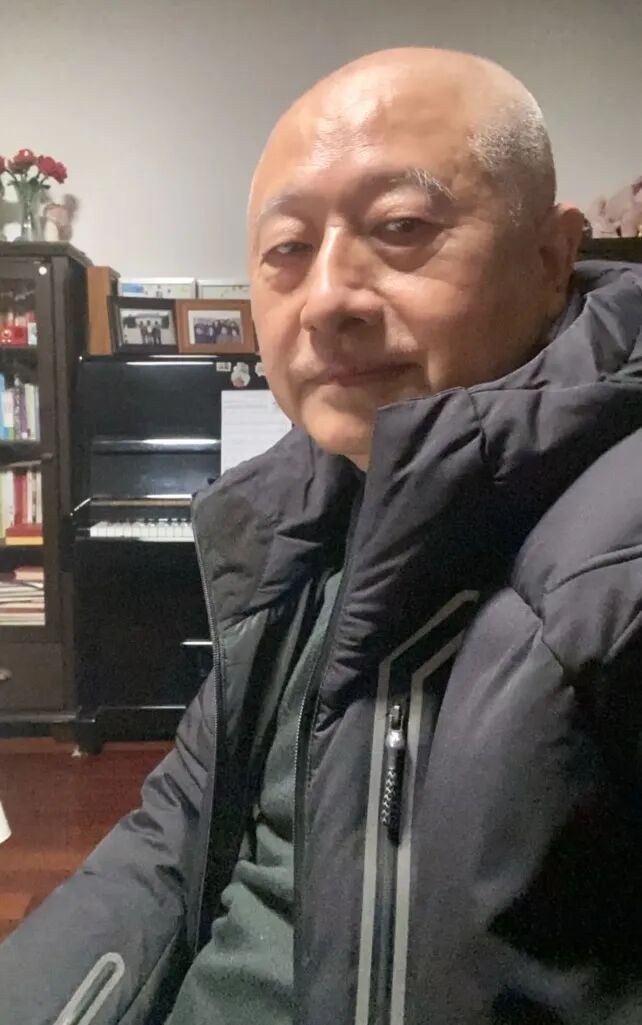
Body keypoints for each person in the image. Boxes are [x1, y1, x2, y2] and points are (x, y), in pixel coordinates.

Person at [2, 46, 642, 1025]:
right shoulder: (307, 504)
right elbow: (180, 824)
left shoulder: (618, 555)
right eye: (287, 249)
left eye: (401, 227)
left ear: (551, 259)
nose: (329, 298)